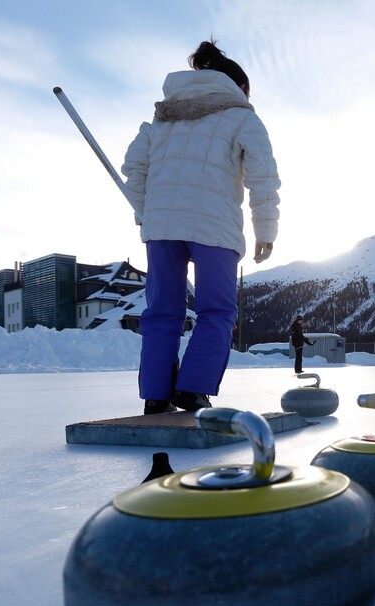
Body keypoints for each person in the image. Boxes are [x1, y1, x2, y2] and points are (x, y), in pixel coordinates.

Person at [122, 40, 280, 414]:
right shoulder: (243, 117)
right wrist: (266, 231)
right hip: (215, 227)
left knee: (162, 311)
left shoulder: (162, 118)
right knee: (217, 311)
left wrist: (146, 212)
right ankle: (192, 387)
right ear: (240, 87)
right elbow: (263, 177)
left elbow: (135, 169)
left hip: (162, 228)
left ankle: (156, 394)